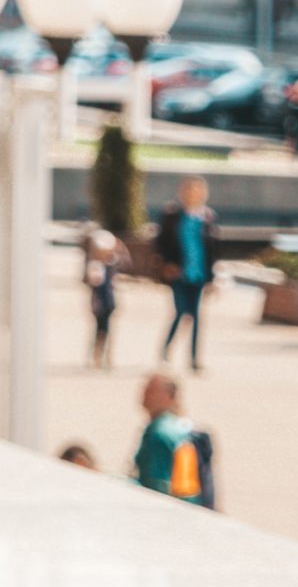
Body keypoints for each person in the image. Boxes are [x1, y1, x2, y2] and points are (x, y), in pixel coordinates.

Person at [154, 176, 217, 373]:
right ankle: (165, 351)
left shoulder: (207, 217)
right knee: (181, 311)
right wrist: (167, 263)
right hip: (179, 274)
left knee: (197, 317)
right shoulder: (172, 215)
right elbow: (160, 243)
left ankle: (193, 359)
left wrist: (213, 279)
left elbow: (213, 250)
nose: (193, 194)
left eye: (197, 190)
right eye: (189, 190)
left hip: (198, 274)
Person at [132, 375, 217, 509]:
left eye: (151, 391)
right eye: (144, 390)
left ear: (169, 397)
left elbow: (157, 485)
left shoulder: (159, 433)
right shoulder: (179, 427)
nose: (145, 396)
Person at [82, 227, 120, 369]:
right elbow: (94, 281)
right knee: (99, 331)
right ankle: (96, 355)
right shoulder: (95, 266)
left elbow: (124, 260)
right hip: (99, 303)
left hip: (109, 302)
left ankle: (108, 357)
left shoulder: (111, 263)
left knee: (108, 330)